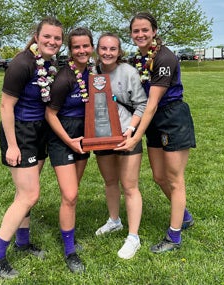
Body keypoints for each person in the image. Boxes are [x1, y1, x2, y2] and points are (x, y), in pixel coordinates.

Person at [0, 17, 63, 279]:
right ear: (37, 36)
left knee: (25, 192)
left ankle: (23, 241)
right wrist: (13, 145)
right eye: (47, 37)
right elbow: (6, 106)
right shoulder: (21, 63)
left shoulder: (49, 63)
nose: (52, 42)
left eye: (57, 38)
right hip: (20, 133)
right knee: (28, 195)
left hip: (39, 131)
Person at [116, 12, 196, 253]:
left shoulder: (164, 57)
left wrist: (135, 135)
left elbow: (151, 103)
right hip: (154, 122)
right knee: (159, 177)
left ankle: (174, 236)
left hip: (171, 118)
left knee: (174, 179)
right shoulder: (139, 59)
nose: (140, 35)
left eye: (145, 30)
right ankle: (184, 216)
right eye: (136, 31)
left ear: (154, 31)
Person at [45, 27, 94, 273]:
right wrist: (69, 141)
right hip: (62, 138)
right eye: (77, 47)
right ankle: (69, 251)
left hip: (83, 138)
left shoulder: (93, 75)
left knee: (71, 194)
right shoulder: (65, 78)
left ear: (91, 47)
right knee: (71, 194)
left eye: (86, 46)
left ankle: (69, 237)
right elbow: (50, 114)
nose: (82, 50)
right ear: (70, 50)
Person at [94, 33, 147, 259]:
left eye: (112, 49)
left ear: (119, 51)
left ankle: (133, 237)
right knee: (109, 181)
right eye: (104, 48)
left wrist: (131, 129)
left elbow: (142, 105)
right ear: (98, 49)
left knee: (130, 185)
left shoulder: (129, 72)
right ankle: (114, 220)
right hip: (101, 136)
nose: (107, 53)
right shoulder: (91, 72)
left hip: (126, 135)